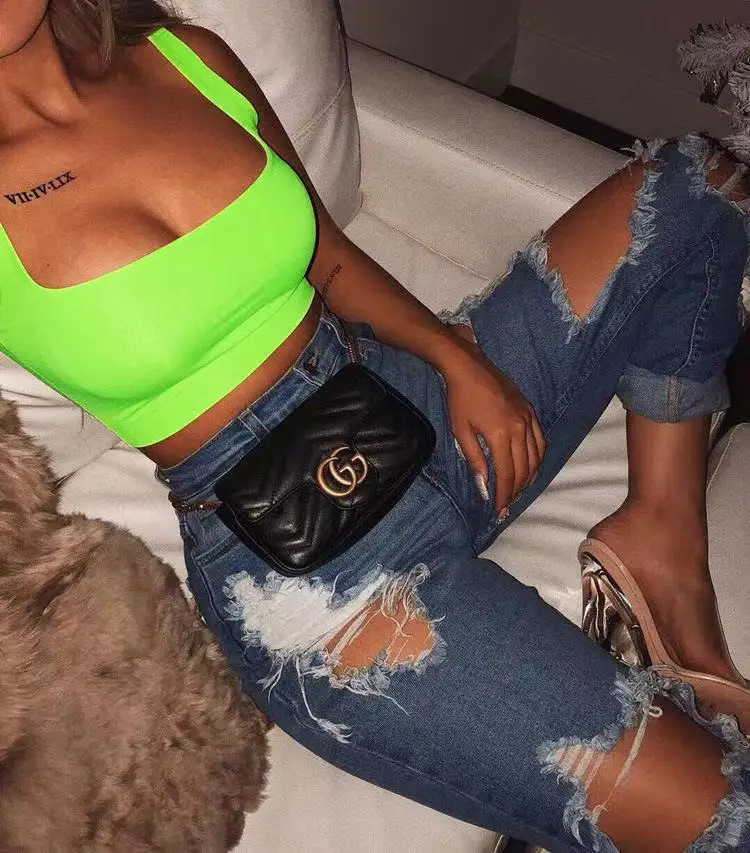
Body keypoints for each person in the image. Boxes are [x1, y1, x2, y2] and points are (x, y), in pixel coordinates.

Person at [1, 2, 749, 851]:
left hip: (403, 398)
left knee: (698, 188)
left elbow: (325, 254)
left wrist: (455, 357)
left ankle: (660, 531)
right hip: (315, 571)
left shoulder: (186, 57)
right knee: (727, 818)